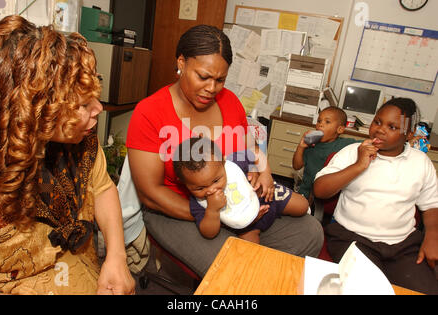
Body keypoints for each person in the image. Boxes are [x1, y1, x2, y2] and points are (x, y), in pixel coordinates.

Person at [126, 24, 323, 277]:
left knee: (309, 232)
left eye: (220, 80)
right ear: (181, 62)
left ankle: (266, 282)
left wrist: (259, 175)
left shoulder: (229, 101)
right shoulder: (149, 112)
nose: (212, 88)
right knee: (235, 266)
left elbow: (249, 152)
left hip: (237, 200)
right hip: (180, 210)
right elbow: (151, 194)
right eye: (203, 76)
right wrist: (217, 213)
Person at [0, 15, 135, 295]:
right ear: (32, 110)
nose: (98, 109)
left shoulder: (82, 146)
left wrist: (117, 256)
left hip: (76, 267)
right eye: (82, 104)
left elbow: (103, 190)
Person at [314, 98, 438, 294]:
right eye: (377, 122)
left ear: (409, 134)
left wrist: (432, 235)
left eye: (392, 127)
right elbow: (320, 190)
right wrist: (359, 165)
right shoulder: (352, 152)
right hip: (352, 238)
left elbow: (431, 206)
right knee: (368, 289)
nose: (380, 130)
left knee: (424, 288)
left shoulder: (420, 162)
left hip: (403, 244)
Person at [173, 137, 308, 244]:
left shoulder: (234, 163)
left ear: (223, 162)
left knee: (302, 206)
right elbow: (208, 233)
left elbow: (256, 153)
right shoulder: (197, 202)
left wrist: (266, 173)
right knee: (249, 252)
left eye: (216, 181)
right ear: (184, 183)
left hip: (266, 195)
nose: (211, 190)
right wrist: (212, 211)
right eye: (200, 188)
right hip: (246, 227)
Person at [292, 106, 359, 204]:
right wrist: (301, 146)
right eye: (319, 121)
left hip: (328, 194)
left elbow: (365, 144)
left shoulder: (345, 144)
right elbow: (296, 166)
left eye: (327, 122)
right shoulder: (311, 144)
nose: (320, 125)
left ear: (340, 129)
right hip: (305, 192)